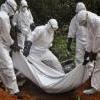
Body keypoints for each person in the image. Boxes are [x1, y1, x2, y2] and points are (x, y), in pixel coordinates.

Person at [77, 10, 100, 95]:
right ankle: (96, 87)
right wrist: (87, 53)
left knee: (98, 68)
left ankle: (95, 88)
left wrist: (93, 53)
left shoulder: (97, 21)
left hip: (98, 46)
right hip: (98, 47)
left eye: (84, 23)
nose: (84, 25)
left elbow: (98, 38)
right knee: (98, 67)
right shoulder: (90, 24)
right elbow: (90, 39)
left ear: (87, 17)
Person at [0, 0, 20, 95]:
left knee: (2, 65)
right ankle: (14, 91)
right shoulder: (3, 17)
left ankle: (5, 88)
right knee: (8, 66)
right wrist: (12, 44)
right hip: (1, 44)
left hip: (2, 43)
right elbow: (6, 35)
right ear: (9, 7)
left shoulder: (3, 15)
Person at [67, 2, 87, 67]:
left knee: (79, 61)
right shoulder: (90, 16)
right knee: (90, 60)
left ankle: (80, 75)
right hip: (90, 41)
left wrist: (68, 46)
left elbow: (71, 34)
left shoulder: (75, 19)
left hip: (81, 43)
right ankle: (89, 75)